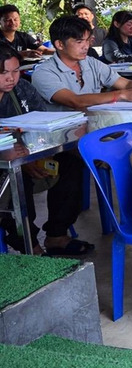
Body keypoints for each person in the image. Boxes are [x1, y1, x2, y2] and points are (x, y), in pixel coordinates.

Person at [0, 47, 93, 256]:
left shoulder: (22, 89)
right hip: (6, 168)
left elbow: (41, 123)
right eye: (3, 73)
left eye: (15, 71)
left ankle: (57, 234)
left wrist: (43, 154)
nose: (11, 78)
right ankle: (29, 244)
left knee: (71, 163)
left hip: (28, 155)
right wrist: (23, 162)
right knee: (15, 181)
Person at [31, 15, 132, 111]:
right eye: (79, 42)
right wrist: (121, 95)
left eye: (87, 41)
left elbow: (126, 84)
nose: (86, 46)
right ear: (60, 44)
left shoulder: (91, 63)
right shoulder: (43, 73)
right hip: (63, 133)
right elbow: (75, 101)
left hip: (96, 123)